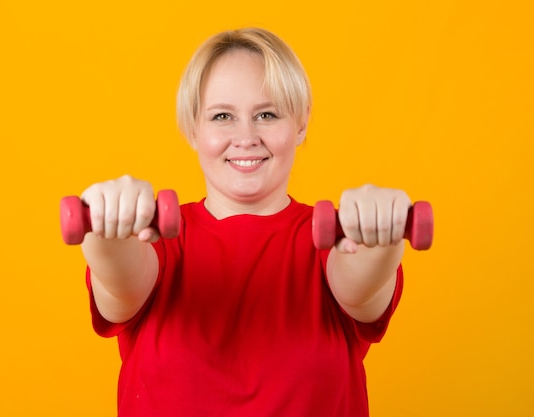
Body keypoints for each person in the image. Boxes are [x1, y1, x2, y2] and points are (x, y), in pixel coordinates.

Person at [79, 27, 411, 416]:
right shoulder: (157, 240)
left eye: (266, 114)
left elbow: (360, 286)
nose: (246, 137)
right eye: (222, 116)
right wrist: (105, 223)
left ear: (301, 123)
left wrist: (380, 232)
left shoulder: (335, 241)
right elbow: (119, 282)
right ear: (192, 128)